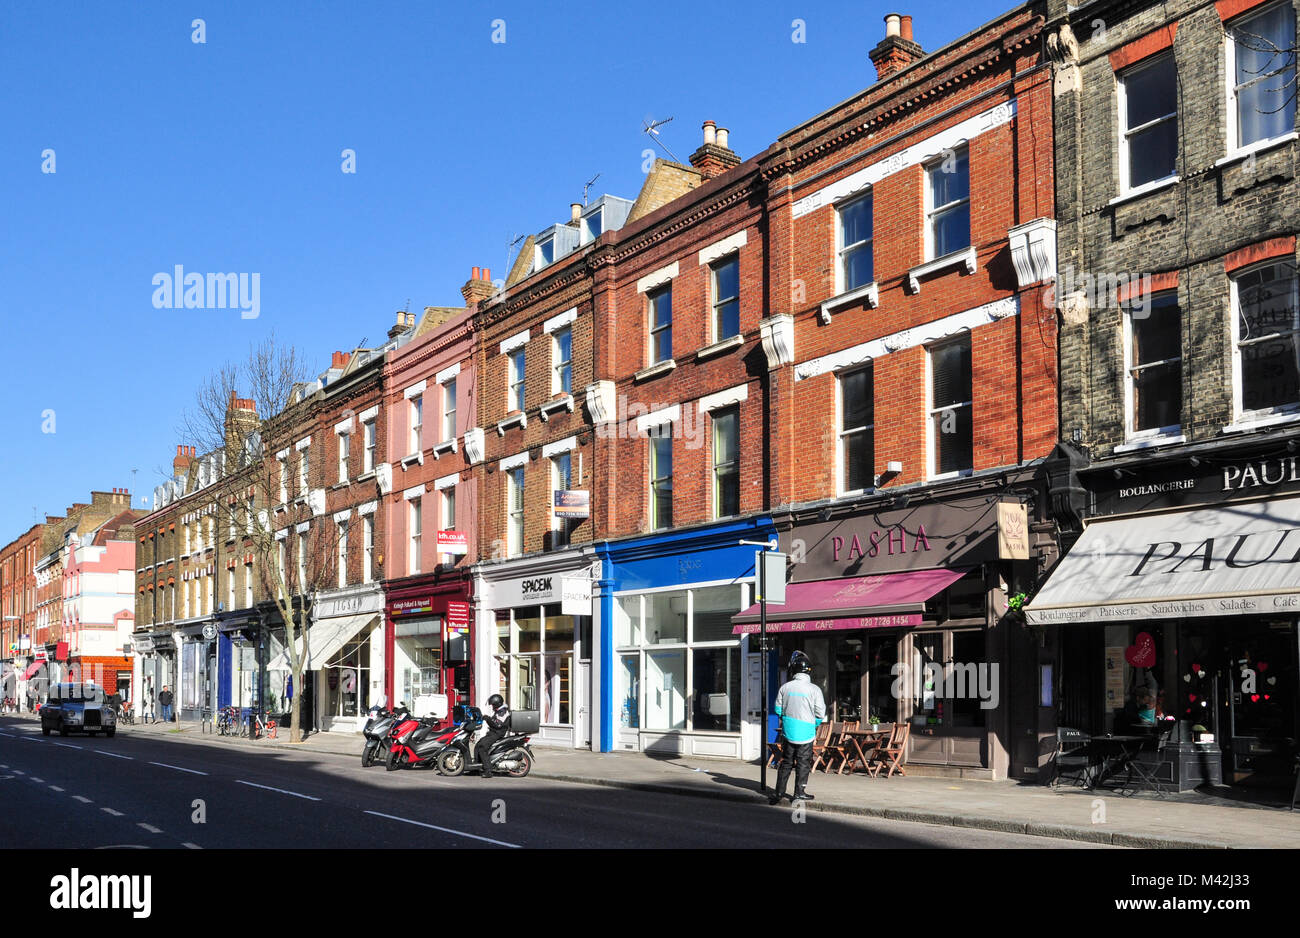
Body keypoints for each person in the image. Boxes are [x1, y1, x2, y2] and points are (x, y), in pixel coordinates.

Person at [769, 651, 827, 805]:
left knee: (786, 762)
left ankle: (779, 792)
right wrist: (813, 724)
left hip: (789, 731)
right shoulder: (814, 689)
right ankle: (799, 792)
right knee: (803, 763)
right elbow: (820, 712)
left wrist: (787, 720)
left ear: (794, 670)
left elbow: (778, 709)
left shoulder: (785, 687)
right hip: (806, 732)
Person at [478, 694, 511, 779]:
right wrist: (486, 718)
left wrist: (487, 718)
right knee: (478, 745)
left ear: (497, 704)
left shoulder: (502, 711)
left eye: (493, 704)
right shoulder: (499, 710)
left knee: (482, 747)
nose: (492, 706)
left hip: (497, 733)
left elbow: (497, 724)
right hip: (493, 732)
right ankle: (477, 767)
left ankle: (488, 771)